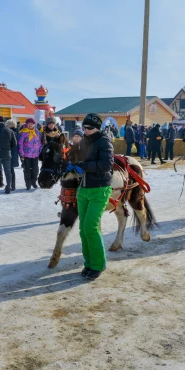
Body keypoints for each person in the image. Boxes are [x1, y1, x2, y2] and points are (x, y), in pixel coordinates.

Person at [74, 113, 113, 281]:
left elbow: (106, 165)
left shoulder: (104, 141)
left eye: (89, 128)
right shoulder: (84, 141)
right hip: (83, 188)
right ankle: (88, 263)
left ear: (97, 128)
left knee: (91, 227)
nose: (86, 130)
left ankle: (98, 264)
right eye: (84, 127)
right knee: (83, 229)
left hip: (99, 188)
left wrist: (84, 166)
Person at [18, 118, 43, 190]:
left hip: (35, 154)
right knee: (27, 170)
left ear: (33, 124)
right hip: (26, 155)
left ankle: (33, 182)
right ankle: (28, 184)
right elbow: (20, 144)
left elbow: (40, 142)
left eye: (31, 123)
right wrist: (21, 154)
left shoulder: (37, 132)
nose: (30, 124)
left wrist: (40, 150)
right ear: (26, 124)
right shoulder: (23, 132)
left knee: (35, 169)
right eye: (28, 123)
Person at [6, 119, 19, 191]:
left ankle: (12, 185)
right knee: (11, 170)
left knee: (10, 170)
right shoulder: (15, 131)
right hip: (14, 153)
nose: (6, 126)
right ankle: (12, 185)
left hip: (11, 153)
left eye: (7, 124)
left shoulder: (11, 132)